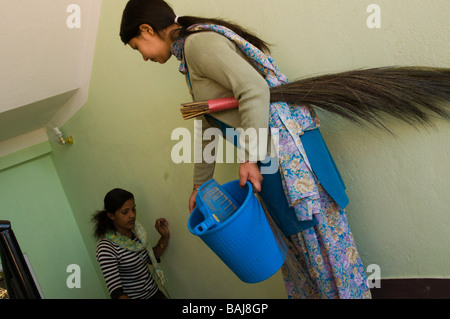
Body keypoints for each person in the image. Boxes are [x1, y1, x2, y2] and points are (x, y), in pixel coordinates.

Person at [119, 0, 371, 299]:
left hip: (287, 161)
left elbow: (253, 88)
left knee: (324, 252)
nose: (142, 57)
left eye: (137, 47)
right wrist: (199, 185)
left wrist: (249, 157)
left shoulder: (198, 45)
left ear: (147, 29)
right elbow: (207, 124)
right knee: (305, 256)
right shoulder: (189, 58)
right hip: (273, 160)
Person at [92, 188, 170, 299]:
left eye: (133, 209)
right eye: (125, 212)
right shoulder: (106, 248)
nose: (132, 215)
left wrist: (164, 236)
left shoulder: (137, 233)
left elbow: (149, 258)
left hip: (155, 293)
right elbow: (116, 293)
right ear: (111, 216)